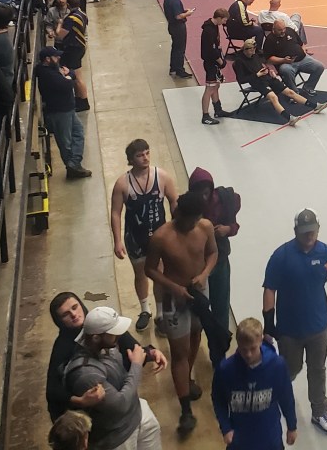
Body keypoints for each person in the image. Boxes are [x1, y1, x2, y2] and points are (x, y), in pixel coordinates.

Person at [262, 210, 327, 436]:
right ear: (296, 232)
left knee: (317, 370)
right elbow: (270, 288)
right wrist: (268, 324)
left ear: (318, 229)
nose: (309, 235)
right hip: (290, 330)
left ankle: (320, 412)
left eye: (312, 231)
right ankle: (276, 397)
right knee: (291, 368)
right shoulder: (281, 256)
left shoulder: (325, 252)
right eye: (304, 232)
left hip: (318, 326)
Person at [145, 191, 217, 434]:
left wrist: (204, 274)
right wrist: (175, 288)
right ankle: (186, 410)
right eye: (190, 220)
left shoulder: (205, 227)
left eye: (197, 219)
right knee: (178, 352)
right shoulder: (161, 237)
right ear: (179, 214)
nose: (193, 224)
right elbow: (150, 269)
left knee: (196, 335)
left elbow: (213, 253)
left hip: (199, 291)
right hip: (174, 298)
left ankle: (187, 379)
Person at [46, 293, 166, 423]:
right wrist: (80, 401)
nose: (74, 314)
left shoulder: (100, 322)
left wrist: (150, 352)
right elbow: (53, 390)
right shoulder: (62, 349)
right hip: (84, 416)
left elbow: (130, 347)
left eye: (75, 307)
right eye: (65, 314)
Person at [62, 307, 162, 450]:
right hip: (117, 439)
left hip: (138, 413)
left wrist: (149, 353)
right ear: (96, 337)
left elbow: (123, 367)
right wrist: (136, 365)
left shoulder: (107, 344)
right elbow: (120, 405)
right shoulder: (86, 373)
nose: (119, 334)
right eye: (113, 332)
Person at [110, 138, 179, 332]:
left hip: (159, 237)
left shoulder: (162, 177)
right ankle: (144, 310)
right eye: (140, 155)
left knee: (160, 275)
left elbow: (174, 201)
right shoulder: (122, 183)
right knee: (140, 274)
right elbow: (115, 213)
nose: (145, 158)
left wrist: (177, 230)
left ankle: (160, 313)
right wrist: (117, 241)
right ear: (131, 160)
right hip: (135, 237)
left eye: (147, 153)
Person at [213, 318, 297, 450]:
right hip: (239, 443)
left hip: (270, 441)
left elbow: (286, 397)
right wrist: (226, 428)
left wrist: (292, 426)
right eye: (243, 349)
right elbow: (218, 399)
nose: (248, 354)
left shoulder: (276, 366)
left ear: (261, 341)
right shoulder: (225, 370)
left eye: (253, 348)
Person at [187, 169, 241, 337]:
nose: (203, 198)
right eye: (199, 194)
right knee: (197, 308)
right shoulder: (187, 206)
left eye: (206, 193)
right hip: (196, 264)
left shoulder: (225, 200)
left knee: (221, 306)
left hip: (220, 261)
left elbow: (235, 225)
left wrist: (227, 229)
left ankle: (220, 343)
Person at [232, 38, 320, 123]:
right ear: (246, 49)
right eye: (251, 49)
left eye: (254, 48)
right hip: (257, 82)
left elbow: (260, 66)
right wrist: (257, 75)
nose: (253, 51)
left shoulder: (255, 55)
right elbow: (241, 80)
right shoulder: (240, 61)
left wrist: (269, 71)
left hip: (268, 78)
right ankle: (289, 118)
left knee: (290, 92)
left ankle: (315, 106)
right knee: (273, 97)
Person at [36, 46, 91, 178]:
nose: (58, 58)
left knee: (78, 133)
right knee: (65, 142)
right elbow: (66, 85)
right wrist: (69, 76)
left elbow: (68, 77)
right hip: (59, 112)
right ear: (47, 59)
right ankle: (72, 167)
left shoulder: (52, 69)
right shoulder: (48, 74)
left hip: (67, 109)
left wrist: (67, 75)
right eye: (55, 56)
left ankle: (74, 163)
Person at [263, 19, 326, 94]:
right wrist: (283, 60)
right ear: (273, 29)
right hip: (286, 64)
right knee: (286, 70)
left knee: (319, 67)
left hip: (303, 59)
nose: (283, 31)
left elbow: (301, 44)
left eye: (284, 29)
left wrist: (303, 51)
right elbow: (269, 59)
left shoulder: (290, 30)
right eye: (280, 30)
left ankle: (308, 87)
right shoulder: (270, 39)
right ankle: (294, 93)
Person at [200, 9, 230, 124]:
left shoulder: (214, 26)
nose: (224, 23)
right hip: (210, 62)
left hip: (213, 62)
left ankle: (218, 110)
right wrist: (221, 61)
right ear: (219, 18)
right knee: (209, 88)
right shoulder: (209, 30)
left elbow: (214, 46)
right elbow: (210, 50)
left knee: (216, 85)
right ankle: (205, 116)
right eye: (224, 20)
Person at [163, 0, 195, 79]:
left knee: (175, 48)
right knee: (180, 49)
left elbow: (173, 12)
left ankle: (173, 68)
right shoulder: (176, 1)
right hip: (178, 27)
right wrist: (188, 14)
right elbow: (178, 16)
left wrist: (183, 11)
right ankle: (180, 70)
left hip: (172, 26)